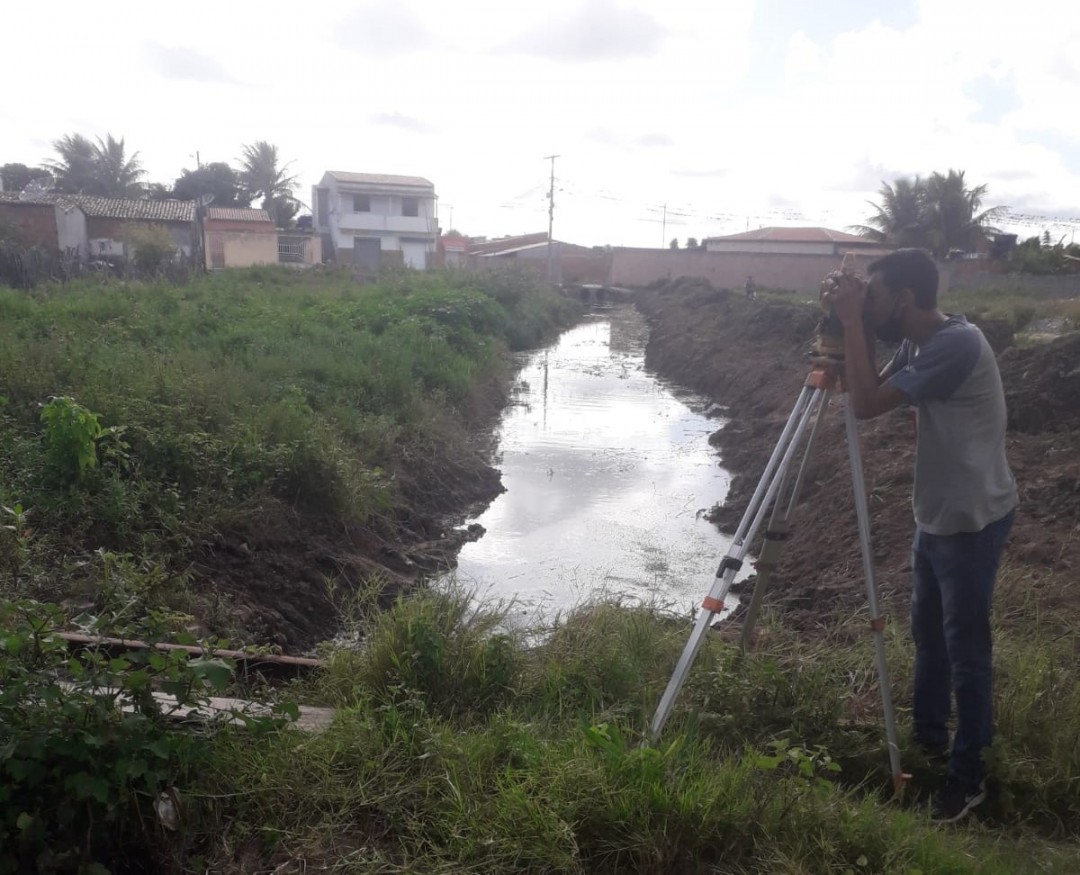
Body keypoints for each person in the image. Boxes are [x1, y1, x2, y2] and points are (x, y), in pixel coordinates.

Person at [822, 248, 1017, 824]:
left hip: (971, 520)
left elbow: (864, 405)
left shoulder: (956, 345)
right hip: (937, 513)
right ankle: (931, 741)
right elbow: (865, 382)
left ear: (903, 300)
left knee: (966, 654)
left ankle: (969, 779)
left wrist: (854, 321)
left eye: (876, 296)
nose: (871, 305)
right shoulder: (920, 339)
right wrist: (845, 321)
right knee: (927, 635)